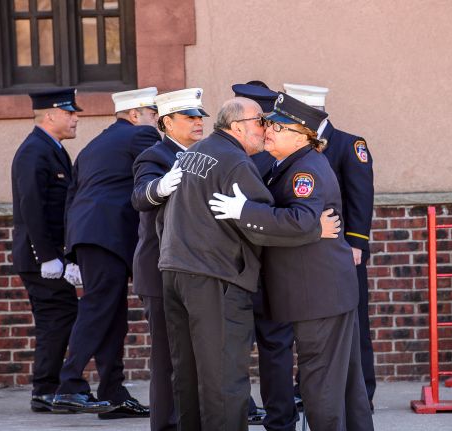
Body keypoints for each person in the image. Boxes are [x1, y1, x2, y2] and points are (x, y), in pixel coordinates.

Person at [157, 97, 338, 431]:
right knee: (223, 377)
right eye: (260, 121)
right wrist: (315, 227)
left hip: (175, 272)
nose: (266, 128)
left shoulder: (194, 153)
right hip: (216, 278)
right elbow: (263, 224)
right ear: (237, 126)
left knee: (188, 371)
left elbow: (164, 215)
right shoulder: (236, 163)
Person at [209, 93, 374, 431]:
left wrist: (246, 212)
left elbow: (299, 220)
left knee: (321, 385)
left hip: (319, 295)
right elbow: (302, 221)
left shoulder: (305, 171)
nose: (269, 131)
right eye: (269, 124)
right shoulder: (287, 164)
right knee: (343, 384)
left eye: (279, 127)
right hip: (320, 292)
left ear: (302, 135)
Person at [53, 87, 159, 417]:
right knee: (99, 308)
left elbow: (73, 195)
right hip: (108, 236)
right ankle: (69, 386)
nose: (156, 119)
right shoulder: (140, 136)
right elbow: (160, 172)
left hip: (92, 236)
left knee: (112, 316)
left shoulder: (95, 144)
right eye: (152, 113)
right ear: (133, 115)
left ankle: (112, 392)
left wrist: (72, 248)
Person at [285, 83, 376, 409]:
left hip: (343, 252)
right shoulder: (297, 147)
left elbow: (361, 198)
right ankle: (308, 389)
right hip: (311, 252)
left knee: (353, 324)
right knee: (312, 325)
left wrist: (356, 244)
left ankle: (362, 392)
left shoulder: (349, 145)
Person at [130, 87, 207, 430]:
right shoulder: (155, 155)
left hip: (193, 270)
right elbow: (140, 196)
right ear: (166, 122)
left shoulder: (204, 155)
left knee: (193, 358)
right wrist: (160, 187)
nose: (197, 122)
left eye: (199, 116)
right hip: (159, 271)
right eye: (188, 117)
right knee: (168, 359)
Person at [11, 88, 81, 413]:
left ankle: (47, 387)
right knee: (58, 315)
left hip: (51, 256)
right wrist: (48, 256)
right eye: (70, 113)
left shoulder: (51, 150)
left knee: (57, 316)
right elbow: (32, 206)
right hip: (41, 259)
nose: (76, 118)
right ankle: (46, 389)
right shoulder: (34, 152)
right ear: (51, 114)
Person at [232, 81, 297, 431]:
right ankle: (280, 420)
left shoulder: (239, 156)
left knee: (240, 348)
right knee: (275, 349)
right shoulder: (271, 158)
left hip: (245, 267)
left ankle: (249, 412)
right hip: (266, 267)